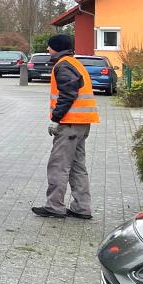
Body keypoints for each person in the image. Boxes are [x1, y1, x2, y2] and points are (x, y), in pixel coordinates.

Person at [32, 33, 99, 219]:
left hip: (69, 123)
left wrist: (55, 118)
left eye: (50, 46)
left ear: (57, 48)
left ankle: (54, 206)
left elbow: (68, 93)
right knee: (78, 166)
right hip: (82, 123)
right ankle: (82, 207)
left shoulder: (63, 66)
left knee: (58, 165)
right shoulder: (75, 63)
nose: (47, 49)